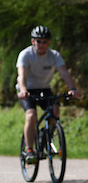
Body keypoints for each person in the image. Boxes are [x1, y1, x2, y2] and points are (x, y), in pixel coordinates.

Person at [16, 26, 81, 164]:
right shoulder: (25, 54)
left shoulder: (54, 55)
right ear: (33, 41)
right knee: (31, 115)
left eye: (44, 42)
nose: (41, 45)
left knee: (55, 111)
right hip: (27, 89)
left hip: (44, 88)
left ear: (49, 43)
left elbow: (64, 72)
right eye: (38, 41)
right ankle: (29, 150)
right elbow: (22, 75)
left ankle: (45, 137)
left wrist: (73, 88)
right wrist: (23, 90)